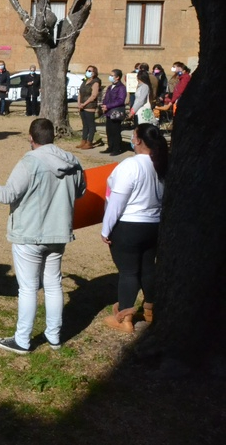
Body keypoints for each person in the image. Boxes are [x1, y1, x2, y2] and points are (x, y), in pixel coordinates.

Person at [0, 119, 85, 356]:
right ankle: (54, 335)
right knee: (53, 284)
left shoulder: (30, 162)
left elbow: (7, 194)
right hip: (58, 233)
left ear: (31, 138)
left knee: (28, 288)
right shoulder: (73, 162)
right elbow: (81, 191)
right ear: (53, 136)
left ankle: (22, 340)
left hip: (29, 235)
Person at [101, 123, 167, 333]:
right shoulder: (162, 164)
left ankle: (125, 318)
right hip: (153, 225)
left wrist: (106, 229)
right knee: (148, 269)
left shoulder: (130, 165)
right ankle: (150, 310)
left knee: (128, 272)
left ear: (137, 140)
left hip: (129, 226)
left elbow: (116, 202)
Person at [100, 69, 127, 156]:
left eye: (112, 76)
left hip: (116, 112)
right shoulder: (110, 87)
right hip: (108, 112)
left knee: (115, 131)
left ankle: (117, 148)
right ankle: (110, 147)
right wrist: (104, 105)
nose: (110, 77)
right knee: (109, 130)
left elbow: (120, 100)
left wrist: (108, 106)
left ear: (117, 77)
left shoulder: (121, 88)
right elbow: (106, 97)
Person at [76, 65, 101, 150]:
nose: (88, 72)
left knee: (91, 125)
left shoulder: (96, 82)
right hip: (82, 106)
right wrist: (79, 103)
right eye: (87, 70)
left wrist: (84, 104)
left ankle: (89, 142)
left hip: (90, 106)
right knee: (85, 125)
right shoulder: (85, 81)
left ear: (94, 73)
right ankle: (83, 141)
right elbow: (80, 93)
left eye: (90, 71)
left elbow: (93, 95)